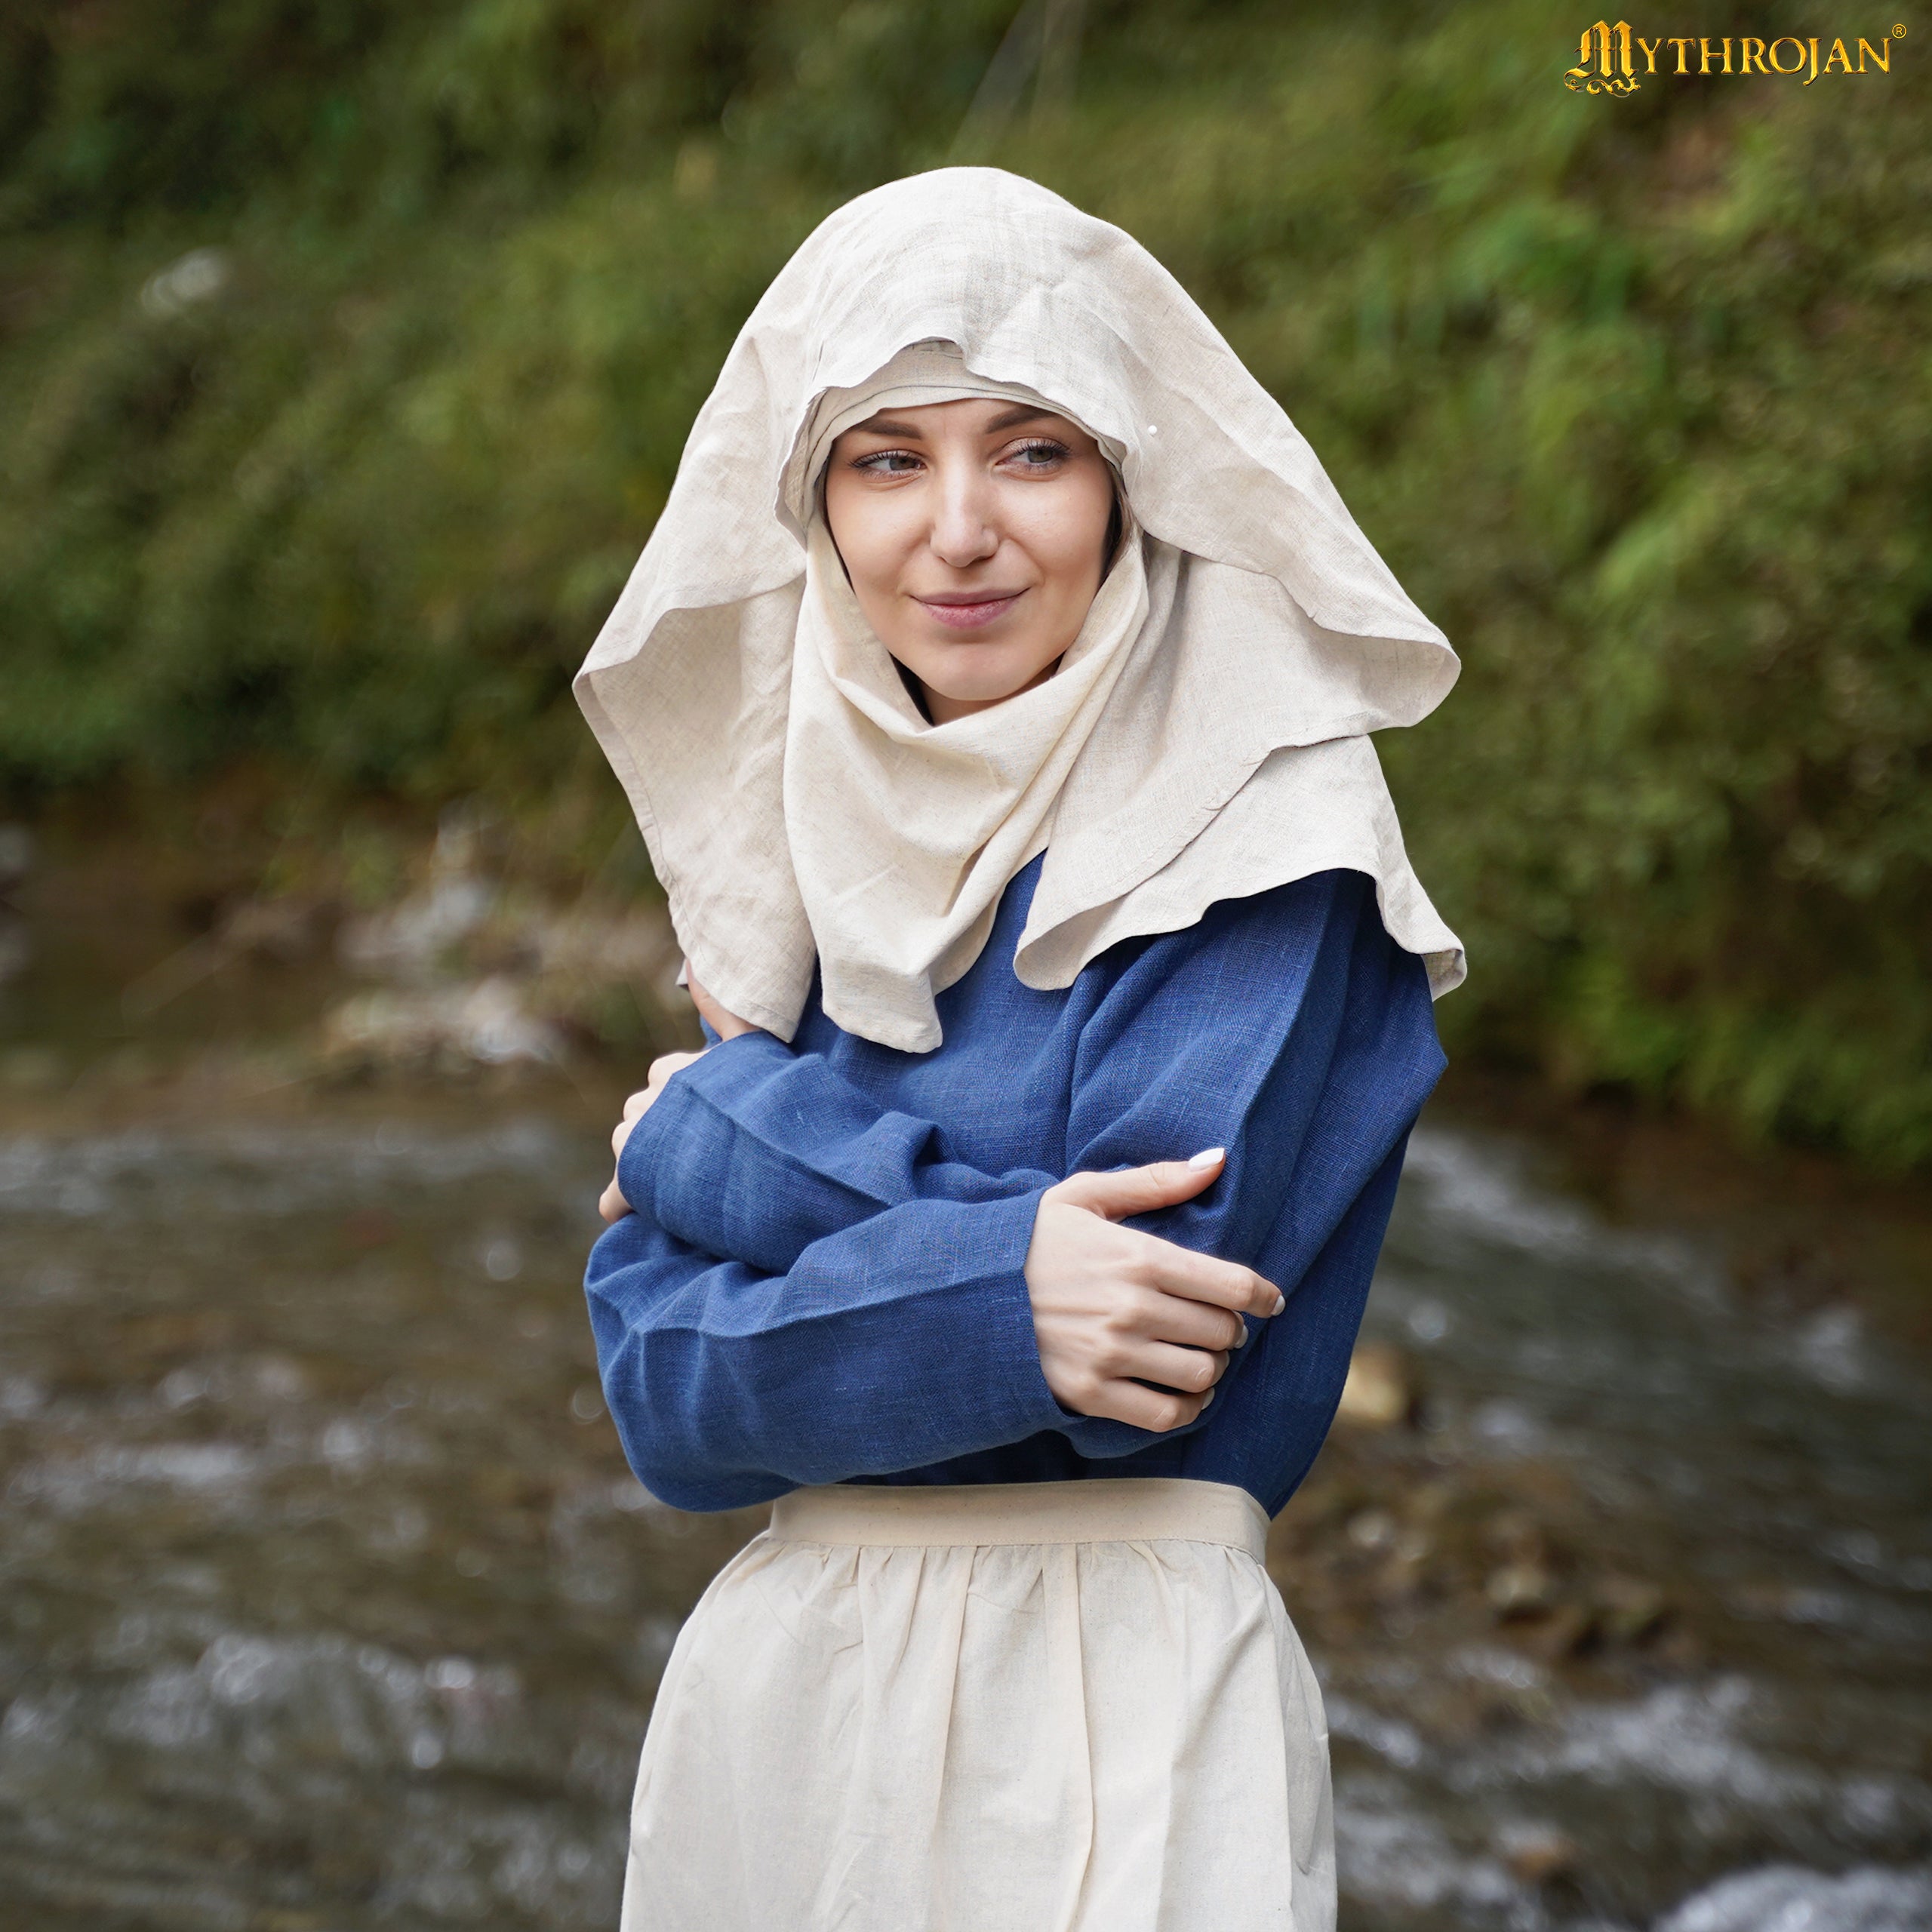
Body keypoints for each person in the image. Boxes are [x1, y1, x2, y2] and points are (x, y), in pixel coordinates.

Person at [574, 167, 1463, 1932]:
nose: (957, 528)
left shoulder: (1258, 825)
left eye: (1031, 449)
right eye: (886, 459)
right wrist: (1002, 1280)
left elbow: (1150, 1335)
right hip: (782, 1696)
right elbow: (659, 1394)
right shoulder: (792, 839)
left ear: (1127, 473)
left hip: (1114, 1699)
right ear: (816, 504)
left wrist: (711, 1136)